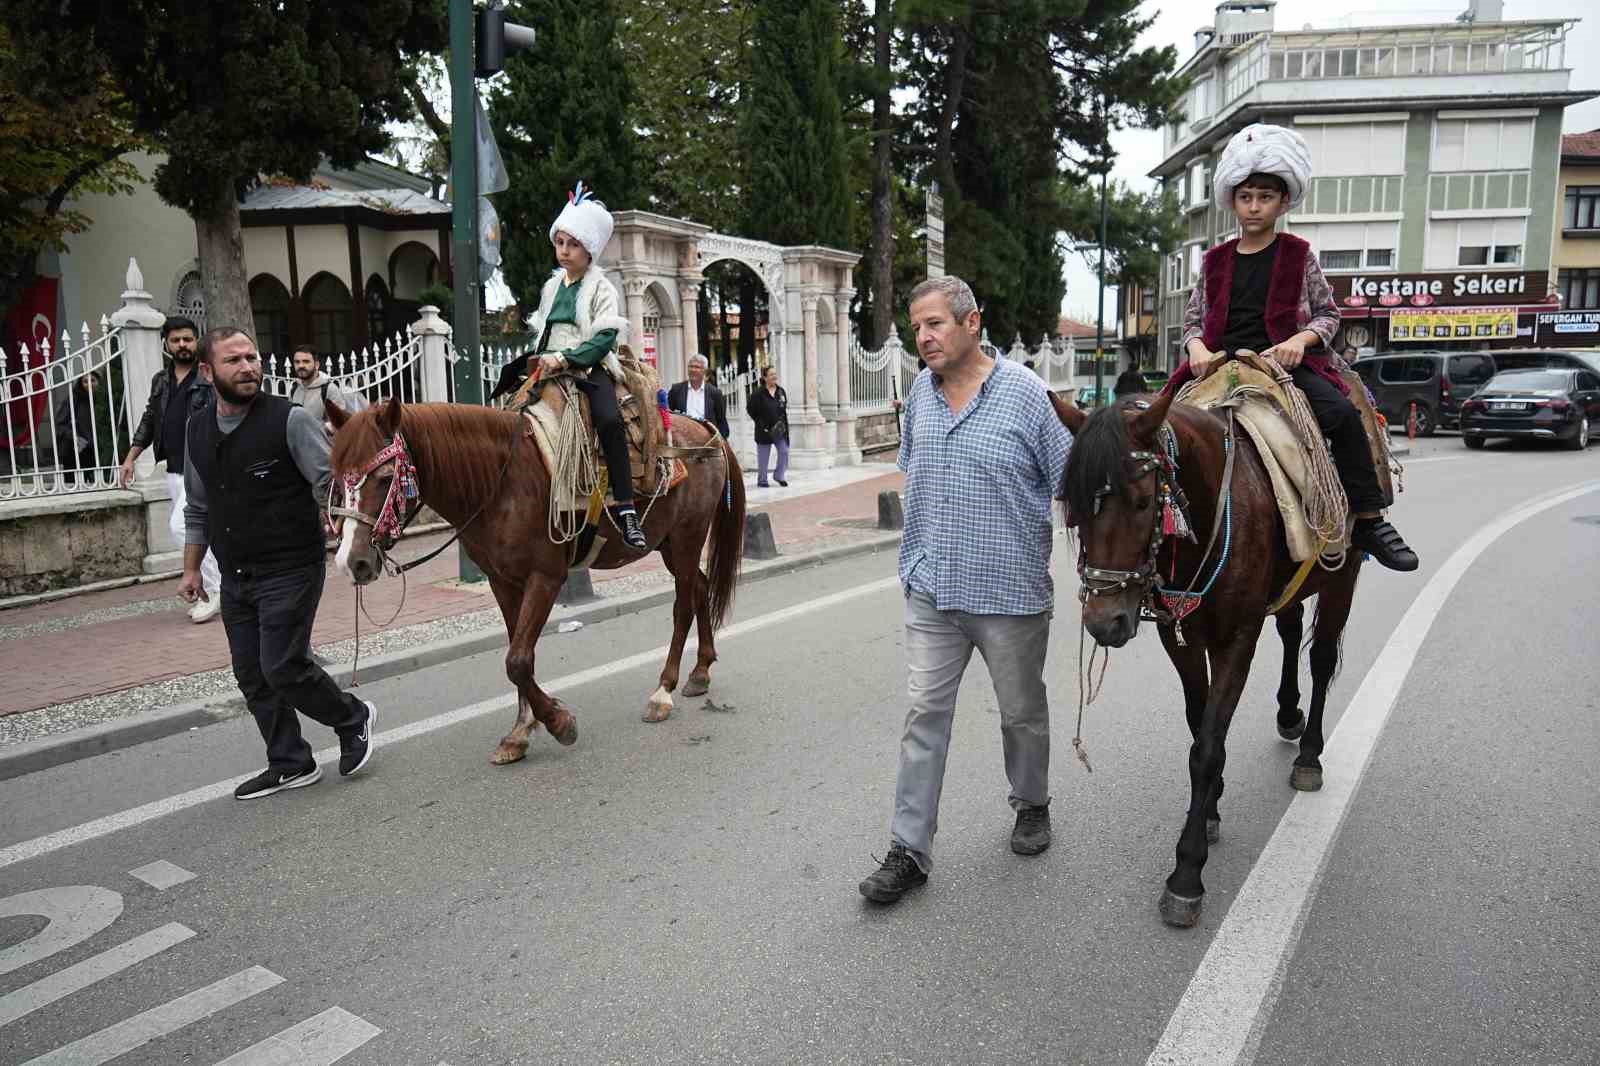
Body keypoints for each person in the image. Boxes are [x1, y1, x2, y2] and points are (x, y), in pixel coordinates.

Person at [858, 276, 1072, 905]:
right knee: (924, 715)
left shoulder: (1028, 398)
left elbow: (1072, 485)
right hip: (932, 590)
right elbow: (915, 470)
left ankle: (1032, 802)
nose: (923, 338)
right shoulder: (918, 396)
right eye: (916, 327)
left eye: (935, 324)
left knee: (1021, 714)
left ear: (971, 322)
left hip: (1009, 596)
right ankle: (908, 850)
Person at [1167, 123, 1417, 573]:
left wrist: (1299, 341)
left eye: (1265, 197)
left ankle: (1368, 518)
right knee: (1156, 430)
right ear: (1232, 202)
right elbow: (1191, 321)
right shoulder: (1214, 261)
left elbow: (1329, 314)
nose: (1254, 206)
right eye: (1246, 197)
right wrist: (1197, 348)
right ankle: (1163, 531)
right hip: (1220, 367)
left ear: (1283, 202)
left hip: (1280, 366)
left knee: (1341, 414)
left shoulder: (1298, 255)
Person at [181, 326, 376, 800]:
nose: (248, 366)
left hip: (290, 565)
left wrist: (345, 529)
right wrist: (191, 568)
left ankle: (353, 718)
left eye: (252, 357)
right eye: (234, 360)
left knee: (282, 665)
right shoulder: (197, 429)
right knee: (251, 673)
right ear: (208, 372)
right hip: (236, 573)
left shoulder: (288, 420)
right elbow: (198, 507)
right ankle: (290, 761)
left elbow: (330, 482)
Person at [489, 182, 646, 551]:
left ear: (588, 249)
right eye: (559, 242)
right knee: (508, 414)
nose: (563, 251)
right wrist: (534, 365)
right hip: (548, 367)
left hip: (588, 367)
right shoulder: (551, 287)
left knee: (609, 420)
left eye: (572, 244)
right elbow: (543, 331)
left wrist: (566, 358)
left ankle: (626, 508)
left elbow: (605, 336)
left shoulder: (602, 288)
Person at [120, 315, 222, 622]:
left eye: (188, 339)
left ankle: (217, 590)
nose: (182, 345)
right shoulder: (161, 380)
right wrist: (130, 457)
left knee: (183, 527)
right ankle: (227, 586)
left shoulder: (207, 377)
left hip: (202, 469)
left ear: (197, 341)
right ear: (167, 343)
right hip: (175, 470)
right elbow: (150, 420)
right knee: (204, 532)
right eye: (176, 340)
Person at [287, 344, 362, 432]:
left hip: (323, 444)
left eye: (306, 361)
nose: (301, 365)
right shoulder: (294, 389)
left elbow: (339, 421)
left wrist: (317, 429)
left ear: (317, 365)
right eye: (297, 362)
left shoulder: (329, 389)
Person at [745, 366, 789, 488]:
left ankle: (779, 476)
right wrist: (760, 422)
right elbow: (750, 409)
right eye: (771, 374)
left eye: (775, 374)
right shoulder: (758, 393)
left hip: (779, 429)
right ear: (765, 377)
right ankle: (762, 480)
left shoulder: (781, 391)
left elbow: (783, 408)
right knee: (763, 457)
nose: (774, 376)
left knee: (784, 451)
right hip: (763, 430)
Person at [667, 354, 731, 438]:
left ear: (704, 370)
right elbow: (669, 414)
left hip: (707, 442)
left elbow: (721, 421)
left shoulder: (715, 393)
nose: (693, 370)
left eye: (697, 367)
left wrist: (721, 440)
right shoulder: (677, 390)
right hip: (682, 441)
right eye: (690, 366)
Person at [53, 372, 102, 480]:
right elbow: (61, 423)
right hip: (77, 450)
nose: (89, 384)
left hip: (98, 450)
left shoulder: (103, 399)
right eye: (85, 381)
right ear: (80, 383)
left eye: (93, 380)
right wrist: (75, 437)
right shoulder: (74, 399)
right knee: (76, 484)